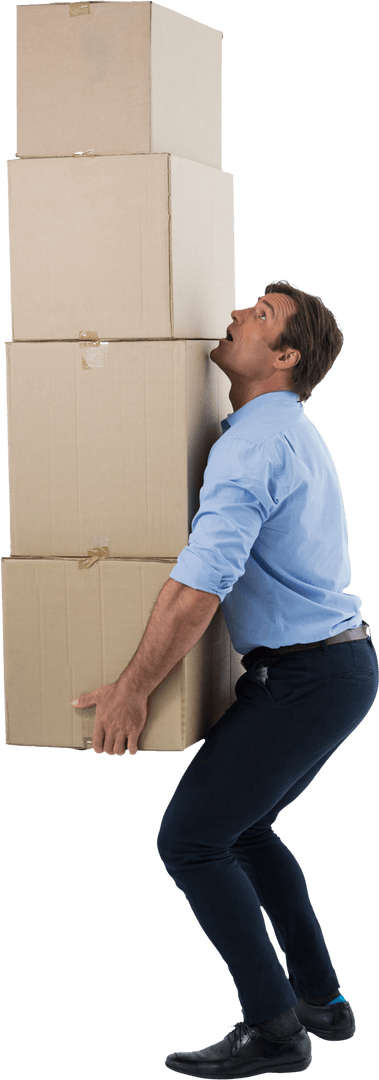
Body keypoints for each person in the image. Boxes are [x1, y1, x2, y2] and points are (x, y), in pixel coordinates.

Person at [72, 278, 378, 1078]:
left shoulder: (252, 446)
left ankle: (274, 1030)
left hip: (308, 678)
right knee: (242, 831)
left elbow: (199, 587)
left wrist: (133, 686)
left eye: (260, 315)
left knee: (190, 841)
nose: (237, 313)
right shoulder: (275, 429)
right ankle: (321, 1001)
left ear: (284, 357)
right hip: (335, 669)